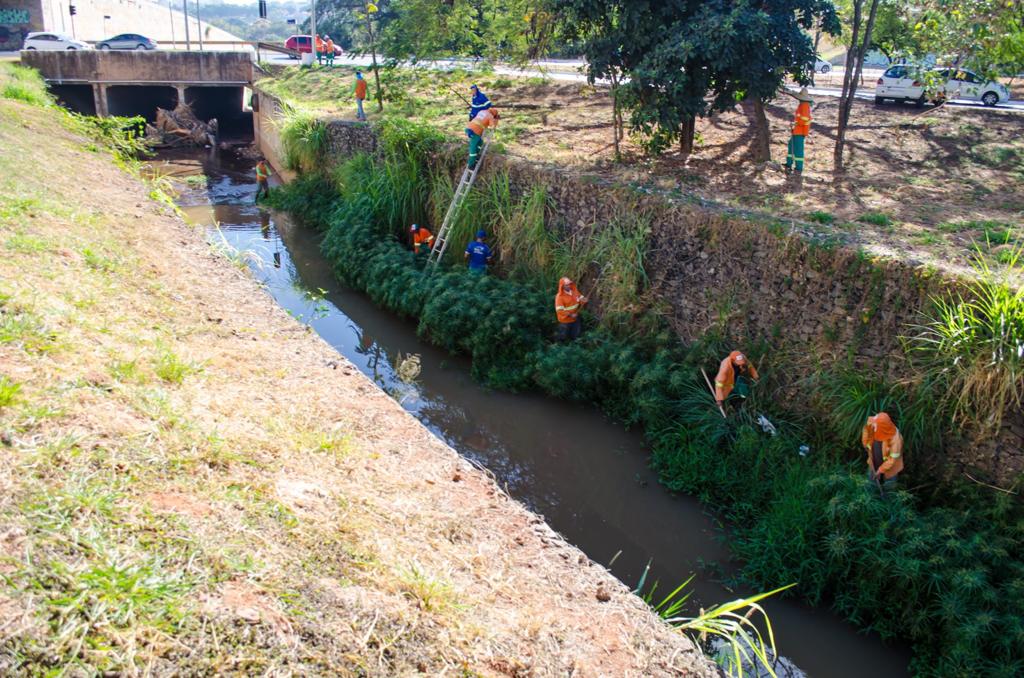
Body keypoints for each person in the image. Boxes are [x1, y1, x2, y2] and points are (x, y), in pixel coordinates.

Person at [862, 412, 904, 489]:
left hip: (891, 468)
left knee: (889, 487)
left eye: (875, 426)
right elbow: (866, 433)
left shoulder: (896, 440)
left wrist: (880, 470)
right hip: (873, 462)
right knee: (870, 484)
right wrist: (865, 444)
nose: (873, 427)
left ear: (882, 428)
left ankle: (887, 499)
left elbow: (892, 460)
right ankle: (870, 497)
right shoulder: (873, 426)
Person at [784, 86, 813, 174]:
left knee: (798, 149)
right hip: (797, 130)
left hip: (800, 131)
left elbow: (805, 119)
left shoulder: (804, 105)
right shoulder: (802, 104)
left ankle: (798, 167)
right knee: (791, 146)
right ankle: (789, 163)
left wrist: (796, 124)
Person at [554, 277, 587, 342]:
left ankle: (575, 345)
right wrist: (570, 315)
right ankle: (560, 347)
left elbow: (580, 297)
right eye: (566, 285)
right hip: (565, 321)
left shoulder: (574, 291)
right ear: (562, 286)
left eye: (569, 284)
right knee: (562, 336)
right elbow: (559, 310)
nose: (569, 286)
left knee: (576, 335)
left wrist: (584, 300)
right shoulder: (559, 297)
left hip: (575, 318)